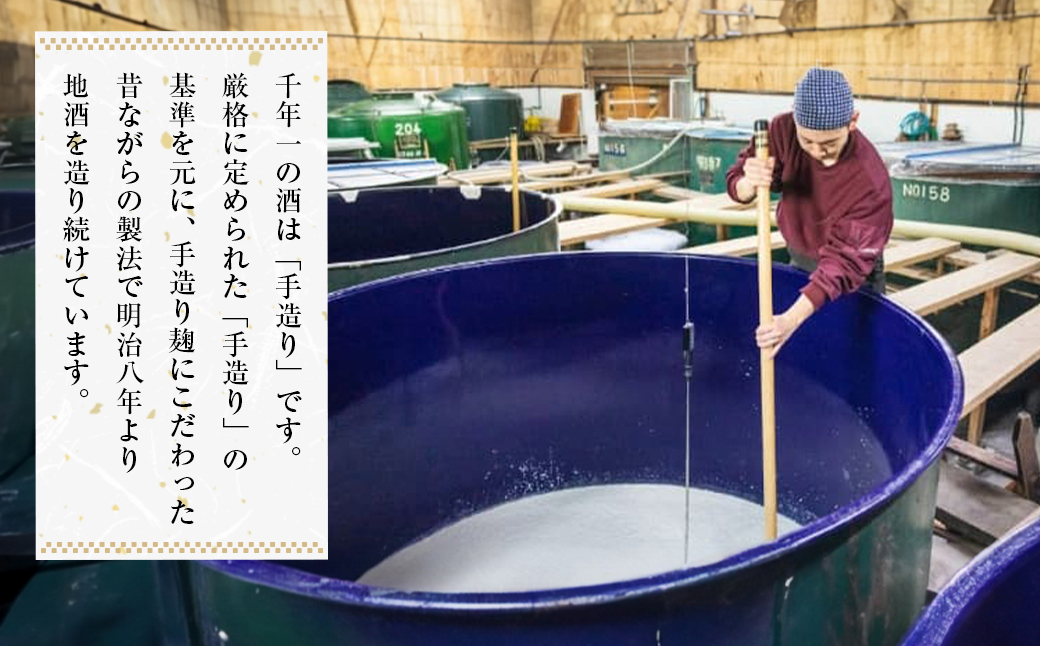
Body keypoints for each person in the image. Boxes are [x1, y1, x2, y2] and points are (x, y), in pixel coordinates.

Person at [725, 67, 893, 358]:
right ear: (795, 118)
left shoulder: (870, 182)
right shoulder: (782, 130)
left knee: (849, 354)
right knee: (806, 352)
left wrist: (790, 320)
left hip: (852, 277)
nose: (816, 151)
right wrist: (749, 182)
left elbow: (842, 265)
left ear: (853, 121)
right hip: (800, 258)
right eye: (807, 141)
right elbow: (737, 183)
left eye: (829, 144)